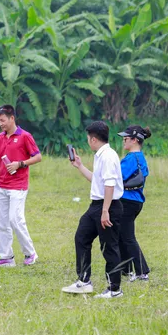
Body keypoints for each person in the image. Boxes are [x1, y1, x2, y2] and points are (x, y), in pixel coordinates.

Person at [62, 121, 125, 299]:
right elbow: (98, 181)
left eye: (88, 138)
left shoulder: (108, 156)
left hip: (108, 206)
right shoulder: (100, 155)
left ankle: (114, 289)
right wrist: (80, 166)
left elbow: (110, 184)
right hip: (96, 206)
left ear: (94, 139)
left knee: (109, 247)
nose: (88, 141)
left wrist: (105, 211)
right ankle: (84, 281)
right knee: (81, 237)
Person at [0, 105, 42, 267]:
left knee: (15, 220)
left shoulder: (25, 136)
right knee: (0, 222)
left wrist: (20, 164)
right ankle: (6, 257)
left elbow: (38, 157)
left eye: (3, 120)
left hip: (18, 186)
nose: (1, 123)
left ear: (12, 118)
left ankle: (30, 253)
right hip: (1, 186)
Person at [117, 125, 152, 281]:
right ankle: (126, 269)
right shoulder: (141, 157)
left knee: (128, 237)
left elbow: (116, 176)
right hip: (135, 202)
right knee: (121, 235)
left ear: (135, 140)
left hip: (127, 201)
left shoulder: (131, 159)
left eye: (126, 138)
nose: (123, 141)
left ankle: (142, 271)